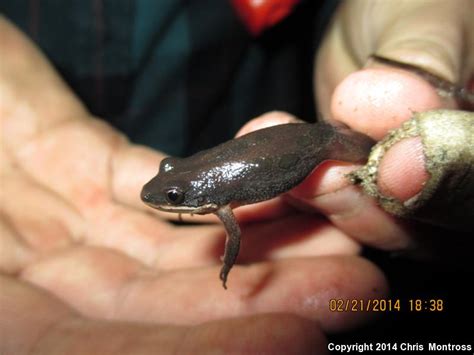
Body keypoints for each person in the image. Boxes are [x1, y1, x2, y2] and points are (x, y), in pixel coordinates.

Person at [1, 1, 472, 353]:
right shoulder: (216, 198)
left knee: (384, 168)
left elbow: (234, 238)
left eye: (175, 192)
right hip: (304, 134)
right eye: (173, 189)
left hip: (320, 141)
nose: (167, 192)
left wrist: (228, 264)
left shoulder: (223, 207)